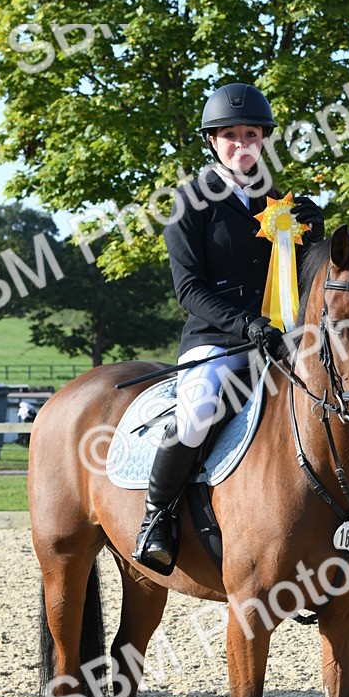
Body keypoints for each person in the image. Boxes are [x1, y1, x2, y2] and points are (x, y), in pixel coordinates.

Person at [133, 82, 325, 573]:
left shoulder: (277, 202)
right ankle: (156, 518)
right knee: (197, 413)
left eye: (251, 135)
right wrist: (246, 324)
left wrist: (315, 238)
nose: (242, 145)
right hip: (217, 343)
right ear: (213, 142)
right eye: (231, 136)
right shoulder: (189, 202)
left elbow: (300, 279)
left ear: (263, 140)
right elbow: (189, 290)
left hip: (280, 341)